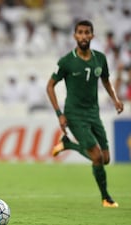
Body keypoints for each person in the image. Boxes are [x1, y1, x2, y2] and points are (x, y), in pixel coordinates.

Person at [46, 20, 124, 208]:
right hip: (74, 114)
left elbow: (105, 80)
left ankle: (69, 145)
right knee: (96, 157)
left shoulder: (100, 58)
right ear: (75, 36)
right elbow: (50, 86)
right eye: (80, 32)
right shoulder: (66, 61)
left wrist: (115, 99)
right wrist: (59, 114)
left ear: (92, 35)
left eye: (87, 32)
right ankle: (106, 198)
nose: (83, 36)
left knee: (105, 159)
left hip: (93, 113)